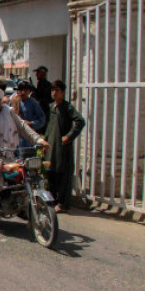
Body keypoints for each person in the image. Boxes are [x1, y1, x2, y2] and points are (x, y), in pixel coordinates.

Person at [0, 87, 49, 210]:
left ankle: (22, 198)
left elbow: (23, 127)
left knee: (24, 169)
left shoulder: (8, 112)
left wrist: (39, 140)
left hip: (9, 154)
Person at [44, 80, 85, 213]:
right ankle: (53, 200)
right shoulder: (52, 107)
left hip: (62, 147)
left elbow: (80, 121)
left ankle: (63, 203)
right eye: (52, 90)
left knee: (63, 175)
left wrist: (69, 136)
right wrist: (44, 141)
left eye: (57, 90)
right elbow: (49, 127)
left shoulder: (68, 108)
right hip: (51, 146)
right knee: (51, 173)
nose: (54, 93)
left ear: (63, 92)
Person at [15, 81, 46, 147]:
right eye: (21, 90)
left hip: (28, 139)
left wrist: (31, 123)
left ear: (29, 92)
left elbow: (42, 119)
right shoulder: (14, 102)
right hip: (14, 138)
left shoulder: (33, 103)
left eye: (25, 90)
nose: (23, 92)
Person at [32, 66, 54, 131]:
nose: (36, 75)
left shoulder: (47, 85)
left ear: (43, 73)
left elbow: (44, 98)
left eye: (38, 72)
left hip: (44, 111)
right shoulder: (40, 84)